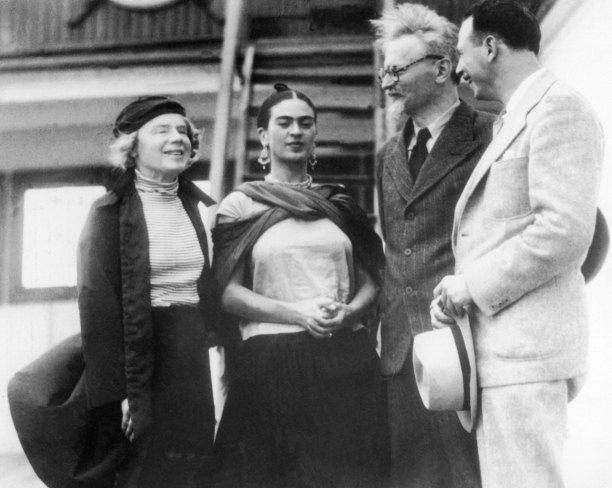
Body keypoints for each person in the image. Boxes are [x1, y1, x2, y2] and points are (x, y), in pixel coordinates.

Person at [431, 2, 604, 487]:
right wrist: (460, 288)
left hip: (527, 358)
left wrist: (473, 286)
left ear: (490, 47)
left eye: (461, 54)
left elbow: (565, 231)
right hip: (504, 357)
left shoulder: (559, 109)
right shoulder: (516, 116)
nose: (458, 70)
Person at [210, 83, 389, 488]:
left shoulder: (339, 203)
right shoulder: (241, 205)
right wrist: (298, 313)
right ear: (263, 136)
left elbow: (371, 281)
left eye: (305, 124)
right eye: (284, 123)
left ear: (315, 136)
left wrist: (350, 311)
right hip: (270, 363)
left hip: (345, 358)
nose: (295, 132)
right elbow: (226, 292)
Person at [370, 4, 492, 487]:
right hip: (404, 354)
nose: (387, 81)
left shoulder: (492, 134)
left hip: (471, 345)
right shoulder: (389, 155)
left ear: (442, 69)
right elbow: (395, 246)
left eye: (398, 70)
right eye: (385, 71)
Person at [78, 95, 218, 487]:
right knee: (144, 466)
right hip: (141, 353)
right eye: (162, 130)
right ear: (132, 148)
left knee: (192, 458)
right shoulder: (109, 213)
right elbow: (98, 306)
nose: (178, 138)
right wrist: (123, 392)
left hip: (188, 348)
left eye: (183, 131)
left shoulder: (193, 205)